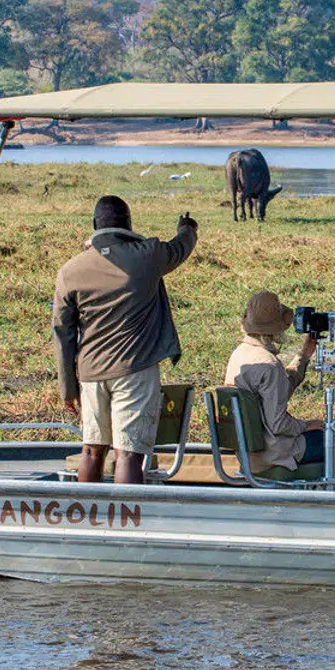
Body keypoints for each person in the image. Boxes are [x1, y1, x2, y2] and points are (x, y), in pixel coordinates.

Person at [53, 196, 197, 485]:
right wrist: (187, 228)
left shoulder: (70, 271)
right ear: (128, 224)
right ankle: (128, 521)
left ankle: (89, 520)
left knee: (92, 451)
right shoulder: (148, 254)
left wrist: (68, 387)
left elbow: (62, 333)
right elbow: (180, 248)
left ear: (95, 226)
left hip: (91, 373)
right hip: (135, 368)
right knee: (128, 454)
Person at [224, 290, 335, 490]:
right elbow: (278, 424)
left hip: (250, 454)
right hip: (274, 454)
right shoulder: (269, 364)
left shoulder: (239, 355)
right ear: (277, 327)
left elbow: (276, 394)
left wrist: (303, 356)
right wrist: (306, 425)